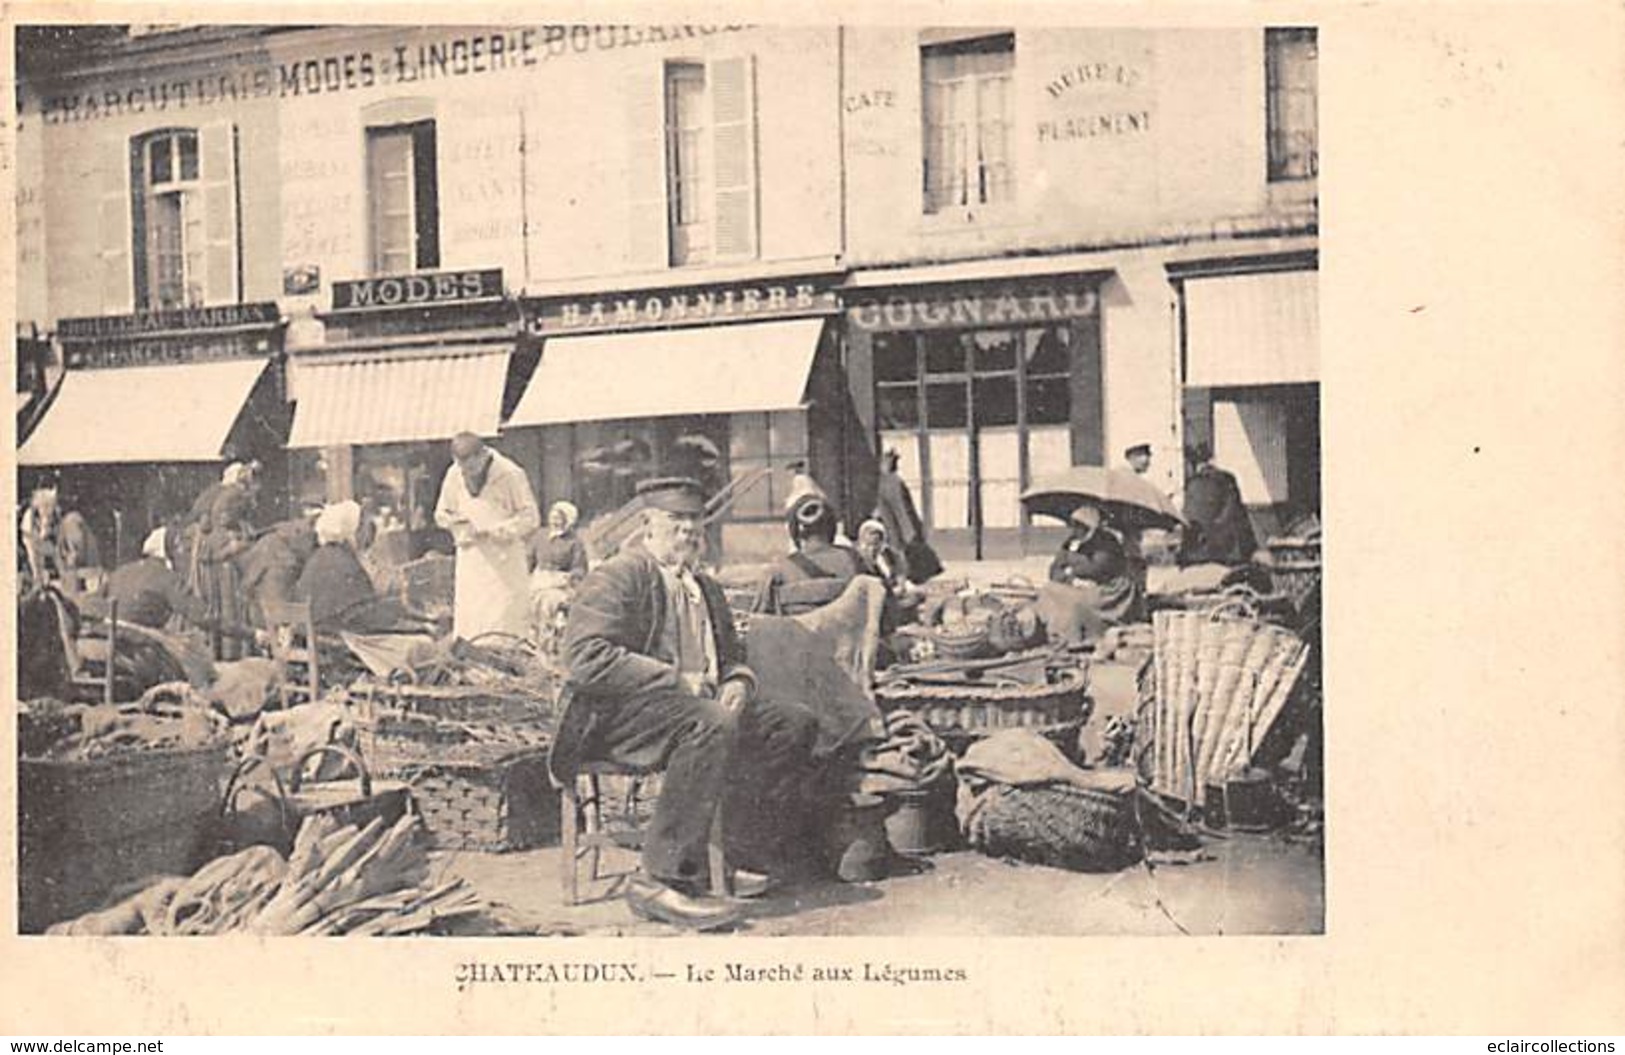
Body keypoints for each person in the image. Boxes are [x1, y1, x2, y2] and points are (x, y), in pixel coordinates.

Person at [557, 477, 823, 930]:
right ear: (647, 526)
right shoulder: (620, 575)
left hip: (690, 711)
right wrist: (675, 678)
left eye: (696, 522)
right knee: (710, 723)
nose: (689, 532)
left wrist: (739, 681)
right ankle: (660, 880)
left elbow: (732, 655)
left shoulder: (705, 586)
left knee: (793, 723)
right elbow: (586, 659)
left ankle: (733, 852)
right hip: (616, 716)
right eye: (676, 521)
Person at [434, 433, 541, 640]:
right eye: (463, 470)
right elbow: (441, 513)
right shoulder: (454, 473)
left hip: (503, 562)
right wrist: (455, 522)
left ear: (483, 455)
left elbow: (531, 518)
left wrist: (497, 530)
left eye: (472, 469)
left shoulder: (510, 473)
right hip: (471, 559)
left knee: (503, 623)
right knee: (472, 623)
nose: (467, 474)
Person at [753, 494, 867, 616]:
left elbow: (758, 624)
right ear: (831, 526)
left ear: (796, 530)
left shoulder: (778, 571)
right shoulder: (856, 561)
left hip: (798, 634)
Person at [1046, 501, 1145, 633]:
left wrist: (1072, 571)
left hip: (1108, 589)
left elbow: (1099, 566)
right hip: (1076, 585)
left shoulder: (1106, 541)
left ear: (1089, 527)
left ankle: (1085, 632)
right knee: (1048, 591)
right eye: (1073, 525)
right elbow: (1054, 569)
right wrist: (1071, 579)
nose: (1075, 529)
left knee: (1079, 603)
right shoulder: (1070, 542)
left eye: (1079, 526)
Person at [105, 527, 214, 631]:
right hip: (138, 640)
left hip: (110, 632)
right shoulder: (164, 576)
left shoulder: (122, 571)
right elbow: (192, 610)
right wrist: (222, 623)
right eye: (178, 549)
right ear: (169, 554)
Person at [1179, 443, 1258, 566]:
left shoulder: (1193, 484)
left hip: (1198, 552)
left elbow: (1189, 518)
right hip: (1228, 549)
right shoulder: (1227, 479)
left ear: (1191, 463)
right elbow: (1235, 512)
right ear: (1211, 459)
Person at [238, 514, 319, 629]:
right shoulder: (299, 551)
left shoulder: (267, 544)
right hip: (293, 618)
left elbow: (247, 583)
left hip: (268, 618)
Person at [529, 500, 590, 650]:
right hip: (539, 579)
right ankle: (532, 639)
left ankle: (548, 640)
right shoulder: (540, 536)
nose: (554, 522)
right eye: (552, 517)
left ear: (567, 521)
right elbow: (528, 559)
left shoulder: (574, 542)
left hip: (561, 583)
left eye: (559, 519)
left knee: (549, 601)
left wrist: (569, 577)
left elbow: (580, 568)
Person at [873, 448, 940, 584]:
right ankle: (902, 573)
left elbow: (902, 506)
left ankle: (906, 574)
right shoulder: (886, 482)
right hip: (892, 521)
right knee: (896, 547)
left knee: (901, 548)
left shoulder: (893, 482)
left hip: (899, 521)